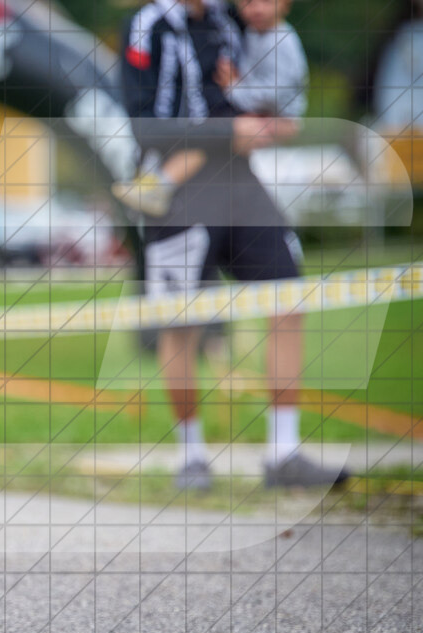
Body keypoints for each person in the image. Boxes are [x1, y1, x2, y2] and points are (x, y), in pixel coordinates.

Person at [119, 0, 349, 491]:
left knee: (288, 297)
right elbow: (143, 125)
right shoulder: (148, 25)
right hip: (174, 188)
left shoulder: (230, 15)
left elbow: (271, 23)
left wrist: (271, 120)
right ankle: (192, 456)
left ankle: (283, 452)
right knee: (181, 322)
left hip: (239, 181)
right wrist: (228, 131)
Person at [114, 0, 308, 216]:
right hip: (184, 196)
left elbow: (279, 95)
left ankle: (160, 184)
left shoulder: (229, 20)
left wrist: (245, 106)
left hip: (238, 170)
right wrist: (229, 132)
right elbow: (145, 129)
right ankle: (159, 184)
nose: (256, 9)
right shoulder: (147, 25)